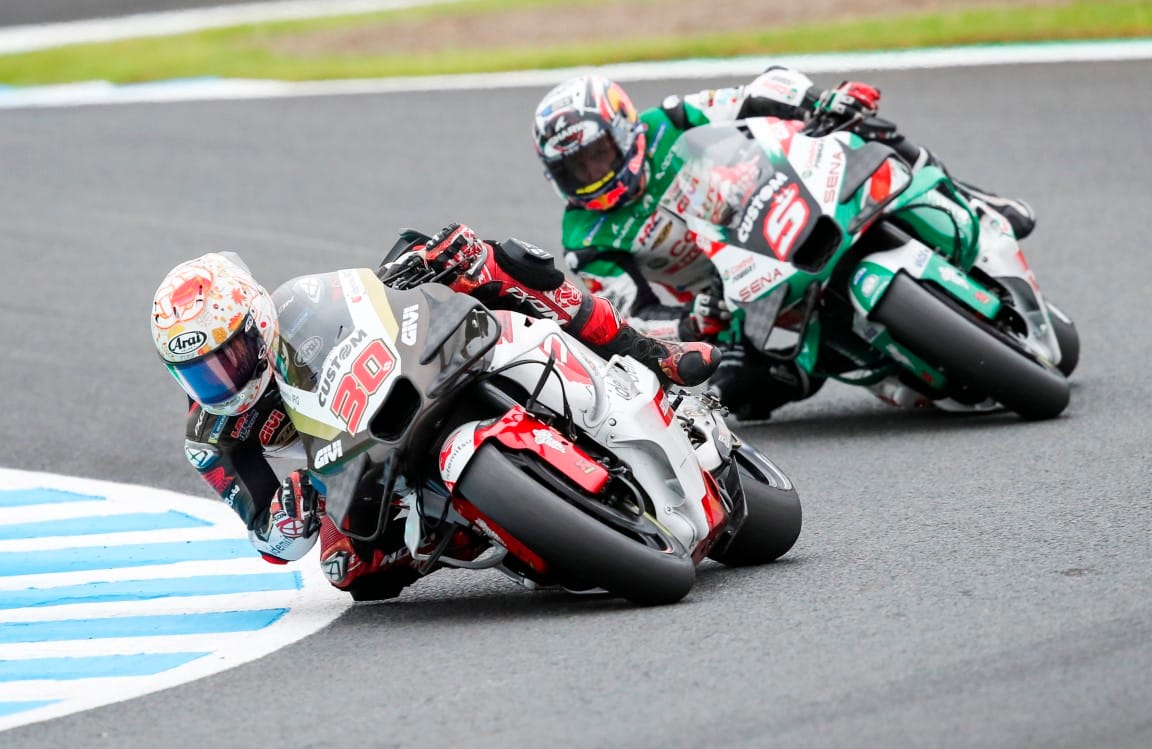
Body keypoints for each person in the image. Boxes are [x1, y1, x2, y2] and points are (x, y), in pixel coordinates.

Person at [150, 232, 718, 600]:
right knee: (348, 571)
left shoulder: (298, 309)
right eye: (199, 372)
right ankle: (486, 528)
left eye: (228, 357)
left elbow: (365, 297)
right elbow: (269, 541)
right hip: (349, 472)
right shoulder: (211, 437)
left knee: (488, 256)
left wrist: (420, 263)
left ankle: (645, 349)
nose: (220, 380)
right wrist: (288, 515)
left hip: (401, 382)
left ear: (257, 321)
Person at [531, 70, 1037, 419]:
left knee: (862, 123)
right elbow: (627, 316)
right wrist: (690, 323)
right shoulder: (586, 238)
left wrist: (819, 100)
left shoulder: (670, 118)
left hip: (774, 202)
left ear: (624, 129)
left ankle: (974, 197)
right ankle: (859, 366)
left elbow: (754, 94)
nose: (590, 175)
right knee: (736, 393)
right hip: (727, 295)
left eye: (597, 156)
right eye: (574, 169)